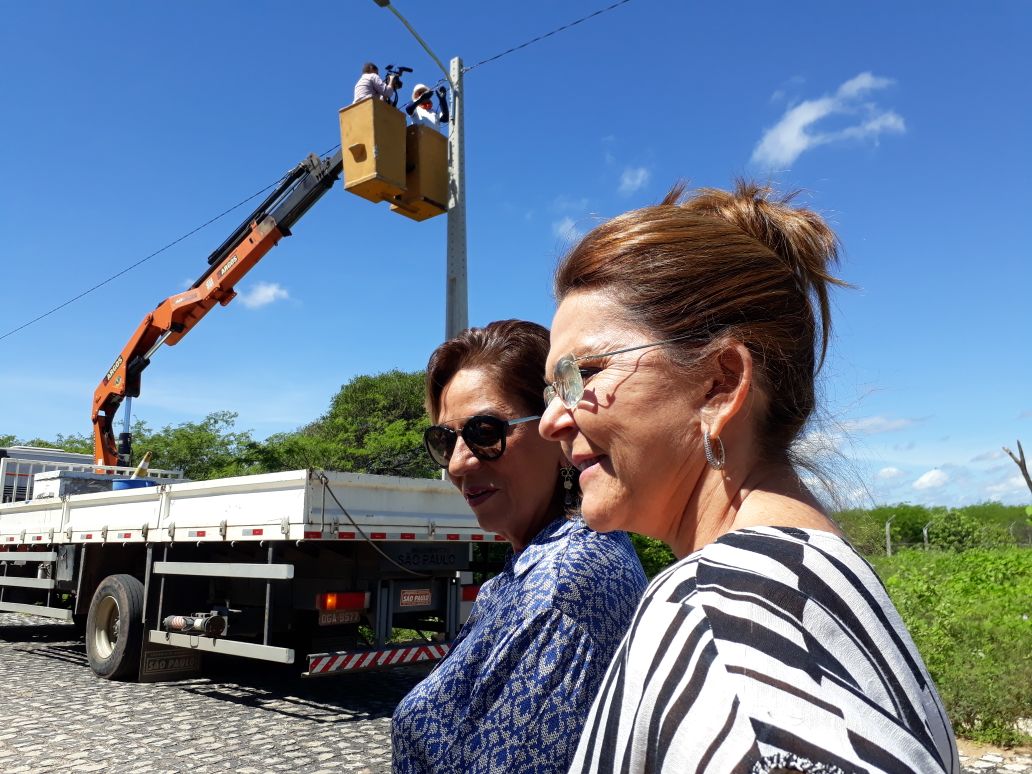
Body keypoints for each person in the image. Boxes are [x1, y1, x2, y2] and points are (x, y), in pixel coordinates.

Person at [539, 181, 960, 774]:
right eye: (553, 388)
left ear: (720, 382)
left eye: (583, 373)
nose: (552, 420)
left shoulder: (720, 615)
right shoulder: (816, 579)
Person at [392, 319, 647, 774]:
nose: (457, 463)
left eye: (485, 432)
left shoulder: (561, 585)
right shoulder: (551, 559)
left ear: (555, 427)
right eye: (444, 440)